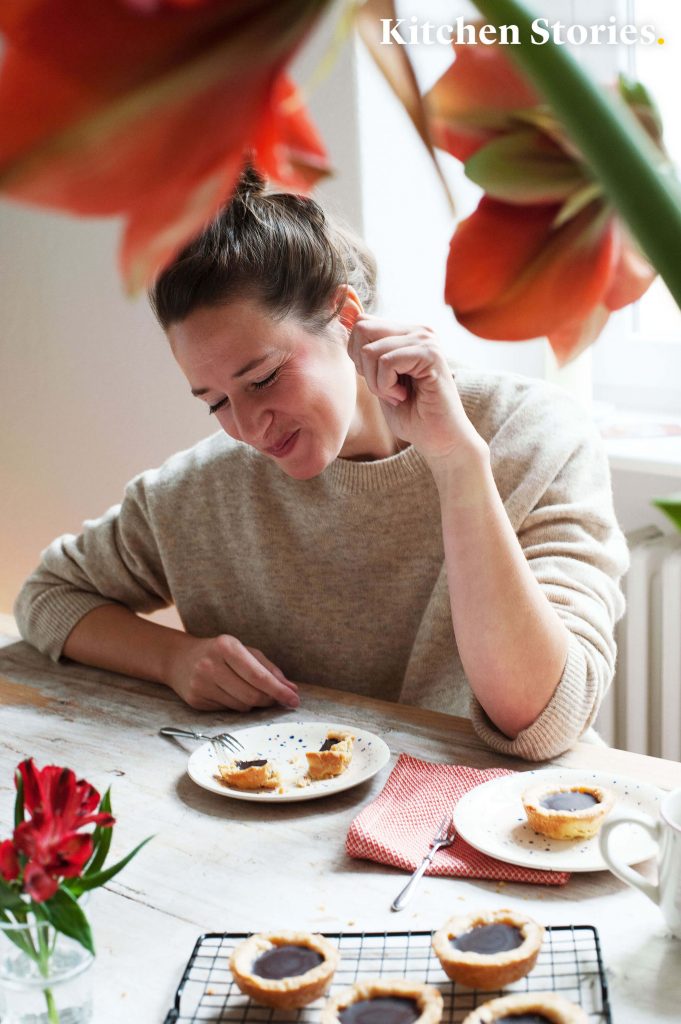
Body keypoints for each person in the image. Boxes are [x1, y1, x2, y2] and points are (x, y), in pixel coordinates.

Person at [14, 164, 628, 761]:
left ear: (346, 318)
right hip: (295, 829)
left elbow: (541, 720)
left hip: (495, 824)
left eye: (263, 378)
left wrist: (456, 463)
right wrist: (175, 659)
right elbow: (48, 597)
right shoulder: (200, 492)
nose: (248, 429)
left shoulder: (533, 437)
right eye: (215, 403)